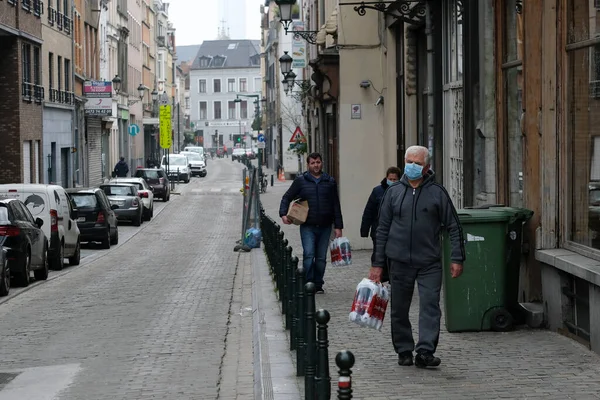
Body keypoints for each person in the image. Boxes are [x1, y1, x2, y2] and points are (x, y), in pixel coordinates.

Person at [369, 145, 465, 369]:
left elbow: (454, 226)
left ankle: (425, 351)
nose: (412, 166)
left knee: (430, 306)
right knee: (399, 308)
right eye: (409, 161)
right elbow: (381, 229)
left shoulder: (437, 193)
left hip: (429, 262)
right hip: (399, 262)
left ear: (427, 167)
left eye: (418, 163)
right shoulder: (393, 193)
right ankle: (403, 350)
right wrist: (377, 264)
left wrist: (457, 258)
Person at [279, 152, 343, 294]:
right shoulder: (301, 181)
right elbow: (287, 197)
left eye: (318, 162)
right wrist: (283, 214)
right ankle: (308, 283)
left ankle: (318, 284)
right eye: (313, 163)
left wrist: (338, 227)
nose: (316, 165)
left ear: (322, 163)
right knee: (309, 254)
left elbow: (335, 205)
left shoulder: (330, 181)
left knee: (320, 258)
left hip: (326, 226)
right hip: (307, 225)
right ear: (308, 165)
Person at [360, 166, 402, 283]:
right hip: (378, 229)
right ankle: (381, 276)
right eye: (390, 179)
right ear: (386, 178)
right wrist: (364, 230)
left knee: (393, 255)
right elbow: (369, 211)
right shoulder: (377, 191)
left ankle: (391, 277)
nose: (392, 181)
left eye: (395, 179)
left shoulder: (402, 191)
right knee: (379, 253)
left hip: (395, 231)